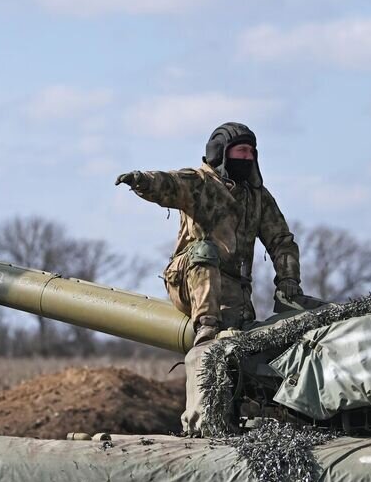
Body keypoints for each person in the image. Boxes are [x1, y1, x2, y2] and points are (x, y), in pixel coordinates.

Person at [115, 122, 303, 346]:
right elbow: (170, 183)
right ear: (221, 153)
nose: (248, 157)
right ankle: (206, 325)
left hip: (235, 291)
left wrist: (288, 280)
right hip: (190, 280)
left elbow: (281, 240)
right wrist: (142, 180)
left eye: (251, 152)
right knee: (205, 250)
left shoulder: (256, 197)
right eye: (241, 151)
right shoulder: (199, 184)